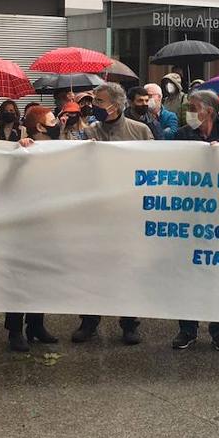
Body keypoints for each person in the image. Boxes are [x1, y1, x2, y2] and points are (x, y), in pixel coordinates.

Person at [69, 83, 152, 345]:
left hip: (129, 213)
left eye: (100, 101)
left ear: (116, 105)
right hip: (96, 214)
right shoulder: (89, 132)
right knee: (93, 270)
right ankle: (89, 321)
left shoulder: (140, 131)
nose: (94, 106)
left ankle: (129, 323)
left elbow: (154, 166)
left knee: (128, 269)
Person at [172, 90, 219, 351]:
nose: (188, 112)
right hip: (191, 213)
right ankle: (187, 329)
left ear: (209, 111)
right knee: (187, 273)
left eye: (193, 108)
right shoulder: (182, 135)